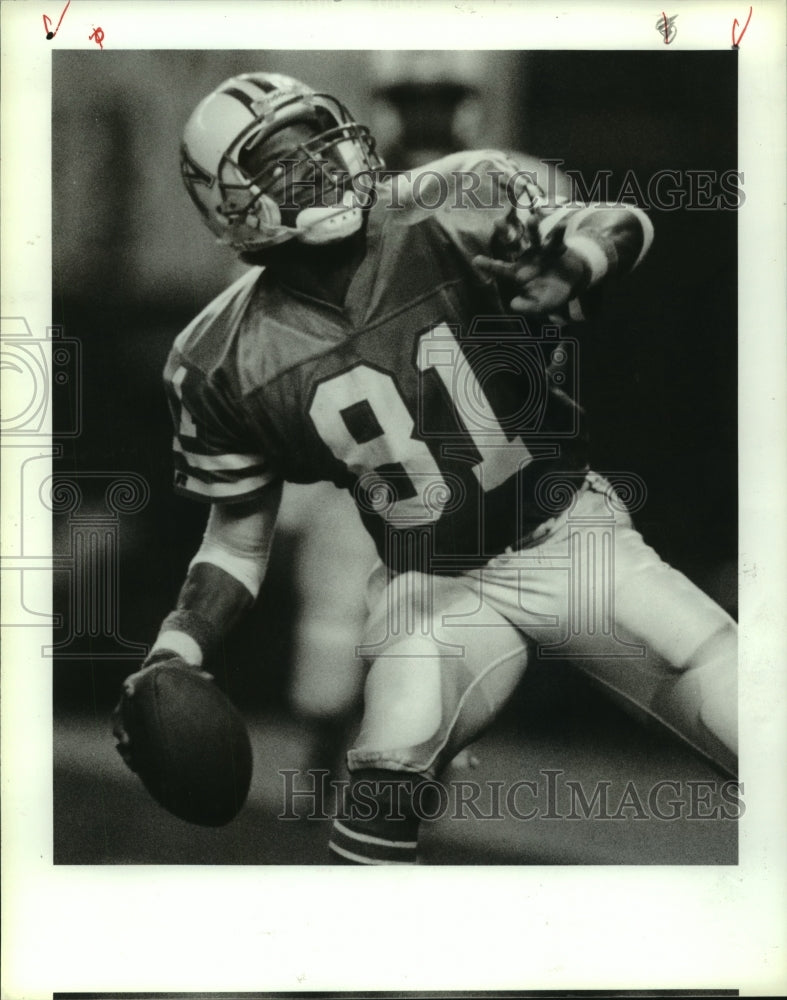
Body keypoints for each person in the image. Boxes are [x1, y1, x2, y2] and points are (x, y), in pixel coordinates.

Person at [113, 71, 737, 864]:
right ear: (232, 198)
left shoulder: (451, 195)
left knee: (743, 711)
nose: (325, 168)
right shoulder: (218, 357)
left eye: (323, 143)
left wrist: (575, 261)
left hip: (570, 540)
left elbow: (620, 221)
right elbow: (237, 539)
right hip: (433, 581)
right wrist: (181, 645)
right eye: (288, 162)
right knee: (387, 763)